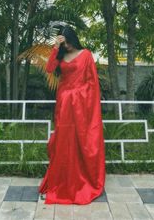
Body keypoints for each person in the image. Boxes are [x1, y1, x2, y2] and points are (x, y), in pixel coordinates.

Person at [38, 25, 105, 204]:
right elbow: (50, 69)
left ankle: (80, 180)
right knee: (63, 140)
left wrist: (76, 94)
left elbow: (92, 83)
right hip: (64, 105)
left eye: (67, 43)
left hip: (80, 105)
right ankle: (61, 180)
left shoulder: (86, 55)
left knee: (80, 140)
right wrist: (55, 48)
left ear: (74, 39)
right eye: (63, 43)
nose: (66, 46)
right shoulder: (60, 55)